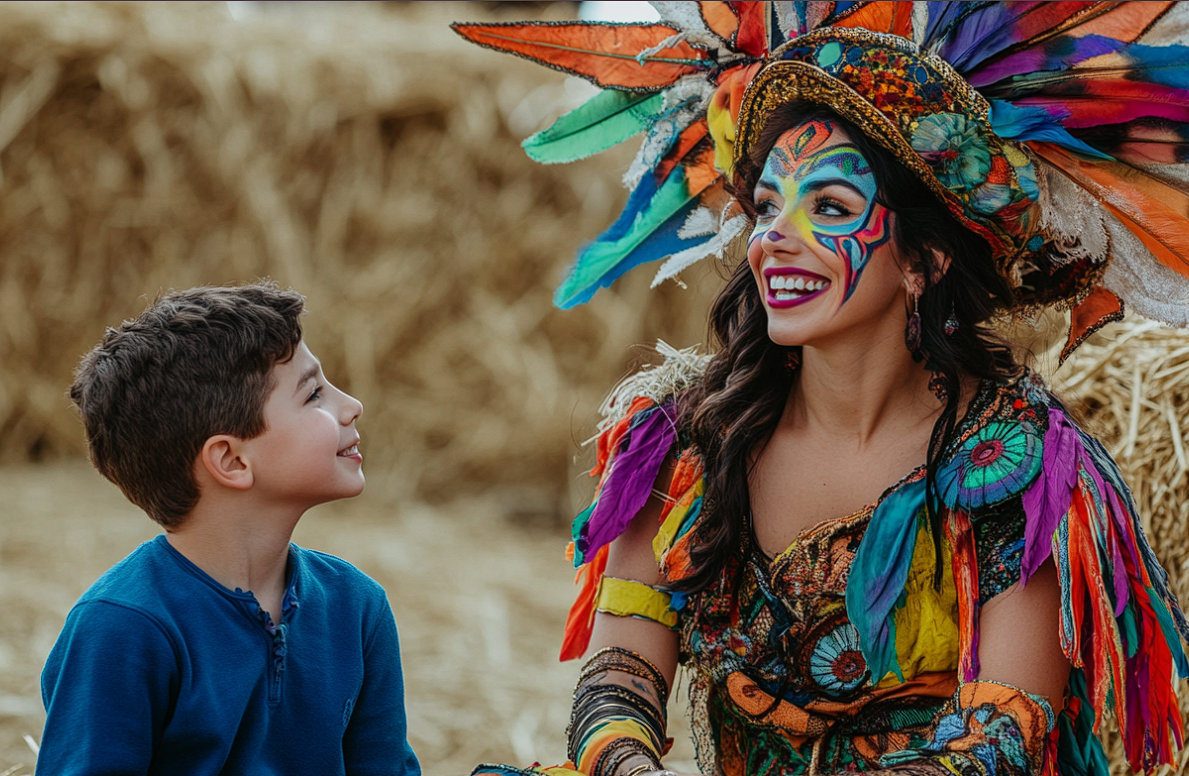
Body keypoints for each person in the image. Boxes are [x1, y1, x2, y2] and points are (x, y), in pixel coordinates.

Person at [456, 3, 1189, 776]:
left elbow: (1000, 737)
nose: (773, 236)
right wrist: (630, 767)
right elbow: (620, 674)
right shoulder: (685, 439)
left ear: (924, 259)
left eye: (829, 209)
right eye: (768, 206)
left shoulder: (1016, 465)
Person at [38, 282, 420, 776]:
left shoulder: (357, 606)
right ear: (231, 460)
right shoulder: (122, 629)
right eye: (314, 395)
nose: (351, 406)